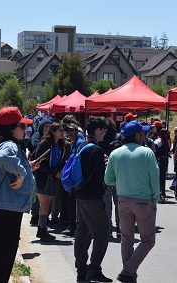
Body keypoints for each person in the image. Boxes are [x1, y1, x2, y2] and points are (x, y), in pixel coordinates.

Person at [0, 106, 40, 283]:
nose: (26, 129)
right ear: (11, 128)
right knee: (2, 260)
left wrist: (27, 168)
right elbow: (5, 159)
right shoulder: (8, 145)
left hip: (1, 210)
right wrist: (22, 173)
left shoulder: (0, 143)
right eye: (22, 126)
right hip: (5, 211)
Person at [105, 120, 159, 283]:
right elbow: (155, 179)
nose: (145, 135)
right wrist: (155, 199)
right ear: (137, 135)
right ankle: (128, 271)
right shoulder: (147, 152)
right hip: (144, 201)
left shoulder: (115, 153)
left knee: (126, 239)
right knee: (148, 240)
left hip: (123, 200)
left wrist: (122, 181)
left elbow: (108, 180)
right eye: (143, 133)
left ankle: (129, 275)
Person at [74, 116, 112, 283]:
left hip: (80, 196)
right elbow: (100, 178)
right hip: (93, 198)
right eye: (104, 130)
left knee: (82, 234)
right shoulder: (96, 150)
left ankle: (81, 270)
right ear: (97, 130)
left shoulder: (81, 145)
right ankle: (94, 269)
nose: (105, 133)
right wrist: (106, 166)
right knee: (102, 233)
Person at [34, 123, 70, 241]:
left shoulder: (61, 146)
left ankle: (41, 229)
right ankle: (43, 231)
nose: (63, 133)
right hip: (43, 179)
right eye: (60, 130)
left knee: (47, 206)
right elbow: (38, 164)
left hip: (53, 180)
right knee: (44, 205)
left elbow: (60, 163)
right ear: (53, 132)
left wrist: (60, 171)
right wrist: (55, 173)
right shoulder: (44, 145)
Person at [26, 117, 52, 225]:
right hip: (36, 168)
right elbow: (34, 145)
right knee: (36, 195)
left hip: (47, 170)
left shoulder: (51, 138)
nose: (47, 128)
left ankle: (44, 217)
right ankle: (35, 216)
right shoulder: (37, 136)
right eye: (45, 126)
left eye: (49, 126)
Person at [154, 128, 171, 201]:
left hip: (165, 160)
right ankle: (159, 193)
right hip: (160, 160)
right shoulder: (159, 141)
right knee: (160, 177)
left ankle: (162, 192)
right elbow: (155, 149)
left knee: (163, 177)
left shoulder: (165, 141)